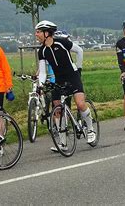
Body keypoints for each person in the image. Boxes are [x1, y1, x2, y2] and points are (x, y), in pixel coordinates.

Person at [34, 20, 95, 151]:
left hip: (72, 76)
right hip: (59, 79)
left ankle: (90, 130)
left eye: (38, 32)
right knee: (58, 109)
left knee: (80, 103)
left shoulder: (62, 42)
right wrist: (40, 85)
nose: (36, 34)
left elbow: (79, 51)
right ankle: (63, 143)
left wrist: (79, 69)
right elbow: (43, 72)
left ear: (47, 33)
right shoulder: (42, 51)